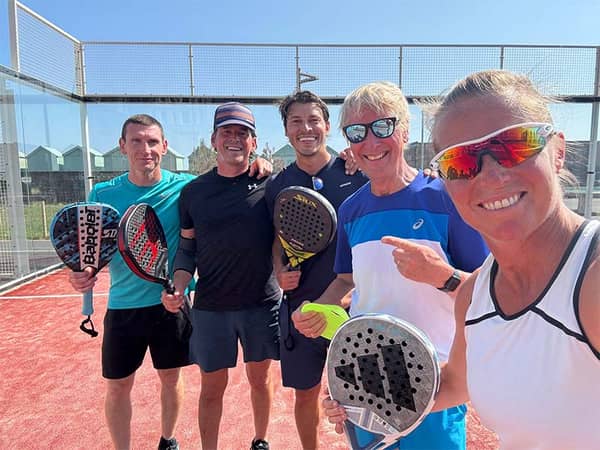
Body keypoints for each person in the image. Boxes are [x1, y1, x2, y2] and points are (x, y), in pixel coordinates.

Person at [325, 70, 600, 449]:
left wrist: (441, 276)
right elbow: (455, 383)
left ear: (558, 151)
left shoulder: (592, 275)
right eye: (461, 162)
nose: (490, 174)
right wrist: (359, 394)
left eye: (514, 144)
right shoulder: (480, 294)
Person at [293, 81, 489, 450]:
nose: (370, 143)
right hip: (366, 378)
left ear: (405, 130)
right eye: (356, 132)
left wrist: (441, 275)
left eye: (382, 126)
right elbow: (346, 280)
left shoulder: (446, 198)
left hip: (436, 382)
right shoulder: (351, 210)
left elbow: (488, 290)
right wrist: (319, 307)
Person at [68, 113, 271, 450]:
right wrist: (83, 273)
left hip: (173, 305)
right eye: (136, 141)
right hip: (123, 306)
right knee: (118, 386)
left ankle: (168, 440)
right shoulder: (102, 193)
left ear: (165, 146)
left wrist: (260, 160)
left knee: (171, 378)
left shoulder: (185, 187)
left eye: (152, 142)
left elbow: (227, 175)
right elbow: (92, 251)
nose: (145, 149)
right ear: (122, 146)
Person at [161, 102, 279, 450]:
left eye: (242, 133)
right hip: (212, 308)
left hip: (262, 304)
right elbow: (186, 249)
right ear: (213, 140)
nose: (234, 139)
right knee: (212, 389)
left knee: (261, 380)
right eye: (226, 132)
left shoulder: (270, 184)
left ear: (253, 142)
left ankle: (261, 440)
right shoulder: (193, 192)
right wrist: (179, 285)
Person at [263, 91, 368, 449]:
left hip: (354, 309)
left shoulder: (356, 172)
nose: (306, 128)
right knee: (305, 395)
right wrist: (279, 269)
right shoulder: (276, 185)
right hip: (302, 310)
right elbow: (278, 238)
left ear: (326, 126)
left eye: (313, 120)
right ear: (286, 130)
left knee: (362, 395)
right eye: (296, 121)